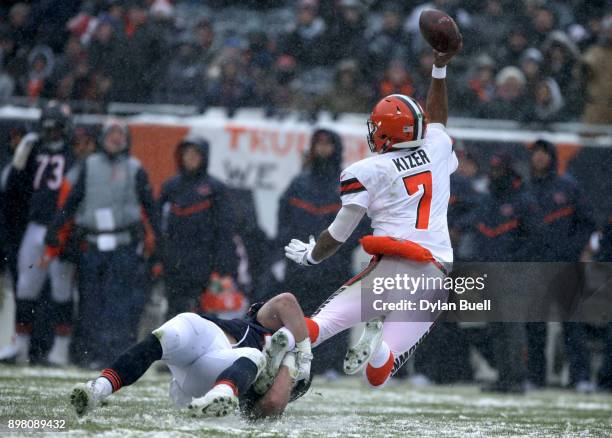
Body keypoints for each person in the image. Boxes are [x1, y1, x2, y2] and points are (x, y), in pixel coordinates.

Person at [284, 44, 462, 387]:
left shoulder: (368, 169)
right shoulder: (437, 147)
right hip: (436, 274)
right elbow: (438, 119)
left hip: (393, 263)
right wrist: (439, 69)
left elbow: (338, 234)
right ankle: (379, 349)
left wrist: (310, 256)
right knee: (379, 372)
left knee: (318, 327)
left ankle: (263, 350)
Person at [69, 292, 314, 419]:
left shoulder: (289, 370)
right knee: (166, 335)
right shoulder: (259, 325)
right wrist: (304, 349)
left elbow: (272, 404)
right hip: (207, 342)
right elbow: (286, 301)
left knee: (253, 356)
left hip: (214, 378)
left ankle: (223, 395)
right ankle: (98, 389)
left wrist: (291, 360)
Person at [43, 119, 158, 369]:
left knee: (117, 302)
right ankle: (89, 353)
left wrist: (159, 241)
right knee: (90, 301)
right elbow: (72, 201)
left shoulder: (134, 168)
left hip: (123, 243)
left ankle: (113, 354)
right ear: (103, 138)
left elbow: (150, 206)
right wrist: (55, 228)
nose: (116, 139)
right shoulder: (90, 166)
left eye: (121, 134)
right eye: (112, 134)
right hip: (92, 243)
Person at [277, 128, 367, 375]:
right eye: (319, 143)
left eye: (328, 144)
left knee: (335, 315)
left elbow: (360, 223)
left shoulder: (346, 184)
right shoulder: (299, 183)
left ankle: (331, 365)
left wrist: (338, 250)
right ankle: (299, 360)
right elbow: (284, 221)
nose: (323, 148)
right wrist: (288, 252)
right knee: (300, 313)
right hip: (300, 266)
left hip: (335, 265)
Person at [0, 102, 76, 366]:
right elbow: (13, 190)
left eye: (56, 128)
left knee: (61, 290)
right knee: (26, 287)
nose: (51, 133)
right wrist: (19, 160)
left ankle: (61, 350)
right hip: (35, 226)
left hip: (62, 228)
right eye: (47, 128)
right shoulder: (34, 151)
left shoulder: (73, 153)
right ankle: (19, 345)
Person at [157, 135, 237, 318]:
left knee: (203, 318)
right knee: (174, 316)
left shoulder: (215, 189)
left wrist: (223, 268)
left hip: (204, 265)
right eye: (187, 153)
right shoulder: (170, 187)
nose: (190, 158)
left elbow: (225, 231)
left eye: (195, 154)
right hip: (174, 265)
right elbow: (158, 225)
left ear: (204, 157)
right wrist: (159, 257)